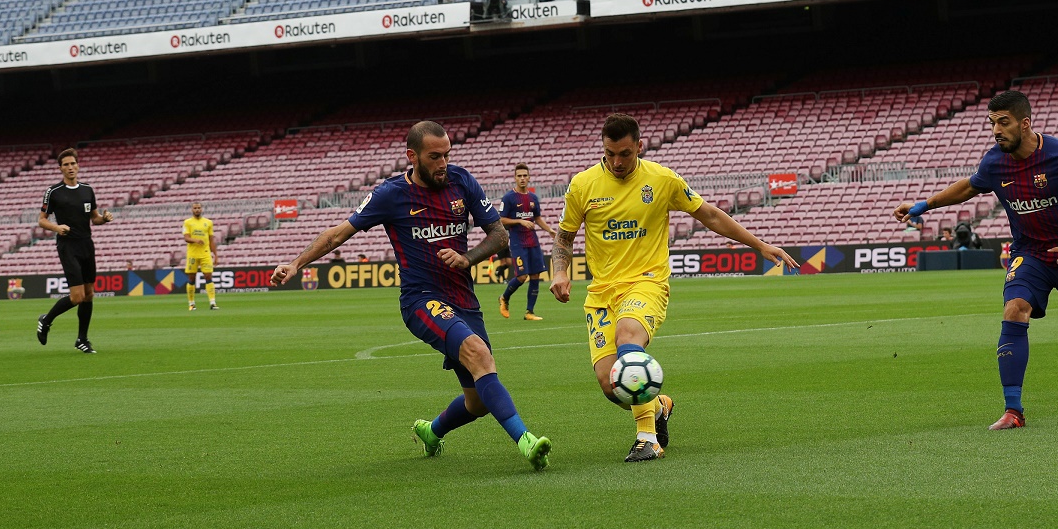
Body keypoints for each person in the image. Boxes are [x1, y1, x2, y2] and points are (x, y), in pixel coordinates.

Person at [270, 120, 551, 470]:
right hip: (421, 299)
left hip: (464, 300)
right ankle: (526, 441)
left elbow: (498, 235)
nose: (443, 163)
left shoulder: (463, 182)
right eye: (434, 156)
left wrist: (468, 258)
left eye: (446, 154)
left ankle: (431, 431)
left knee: (478, 401)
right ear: (412, 156)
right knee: (478, 353)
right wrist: (296, 263)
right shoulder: (391, 194)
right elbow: (338, 234)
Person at [550, 113, 800, 462]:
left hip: (646, 282)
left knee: (627, 336)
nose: (617, 162)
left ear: (640, 145)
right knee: (611, 385)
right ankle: (659, 406)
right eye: (610, 154)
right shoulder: (582, 185)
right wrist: (559, 271)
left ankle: (647, 438)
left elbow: (709, 214)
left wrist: (759, 245)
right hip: (601, 293)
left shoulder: (662, 179)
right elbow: (564, 237)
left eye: (625, 153)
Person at [893, 90, 1058, 431]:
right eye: (992, 123)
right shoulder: (995, 162)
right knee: (1015, 309)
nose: (996, 130)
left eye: (1004, 123)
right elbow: (970, 187)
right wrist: (924, 205)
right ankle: (1014, 411)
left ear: (1025, 124)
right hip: (1030, 254)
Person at [36, 148, 113, 353]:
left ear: (78, 165)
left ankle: (82, 339)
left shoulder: (87, 190)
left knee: (89, 294)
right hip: (68, 246)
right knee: (77, 296)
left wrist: (103, 219)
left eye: (73, 164)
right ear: (60, 168)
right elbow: (41, 221)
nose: (70, 167)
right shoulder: (53, 192)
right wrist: (57, 227)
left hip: (87, 244)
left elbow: (94, 218)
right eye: (66, 165)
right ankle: (46, 319)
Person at [498, 163, 556, 321]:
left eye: (525, 176)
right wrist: (520, 221)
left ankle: (529, 312)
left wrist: (549, 230)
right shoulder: (509, 198)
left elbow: (537, 218)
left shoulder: (533, 198)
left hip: (533, 241)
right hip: (518, 242)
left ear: (529, 178)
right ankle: (504, 297)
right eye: (519, 176)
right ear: (515, 178)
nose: (522, 178)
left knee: (535, 275)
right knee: (522, 276)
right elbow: (501, 220)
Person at [183, 202, 219, 311]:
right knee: (191, 278)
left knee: (208, 276)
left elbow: (211, 240)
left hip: (205, 254)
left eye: (199, 208)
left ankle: (212, 303)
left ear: (201, 209)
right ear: (192, 210)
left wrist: (215, 255)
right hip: (192, 254)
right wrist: (195, 240)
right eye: (195, 208)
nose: (197, 210)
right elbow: (186, 238)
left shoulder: (208, 223)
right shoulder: (187, 222)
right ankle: (191, 303)